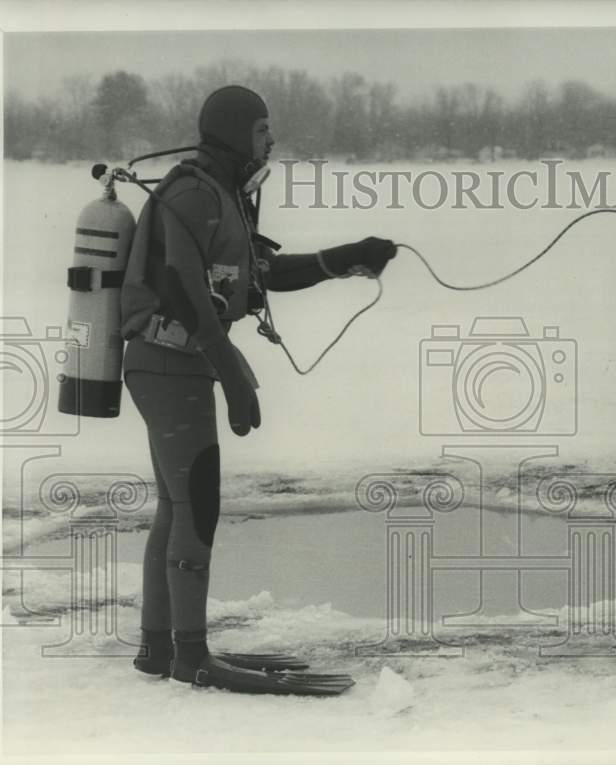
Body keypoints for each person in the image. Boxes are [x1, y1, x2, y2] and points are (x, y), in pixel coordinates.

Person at [119, 85, 395, 694]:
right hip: (169, 361)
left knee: (177, 504)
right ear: (234, 131)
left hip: (175, 362)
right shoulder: (193, 193)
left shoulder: (224, 196)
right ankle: (192, 657)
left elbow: (261, 274)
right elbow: (180, 283)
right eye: (262, 128)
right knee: (198, 502)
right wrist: (231, 369)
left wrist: (351, 257)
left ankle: (158, 648)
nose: (271, 139)